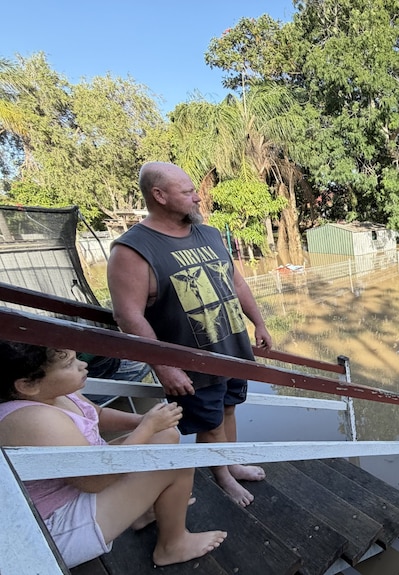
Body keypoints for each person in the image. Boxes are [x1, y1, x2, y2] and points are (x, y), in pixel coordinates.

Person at [107, 161, 272, 507]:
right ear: (160, 196)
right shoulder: (133, 249)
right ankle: (222, 477)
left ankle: (230, 463)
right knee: (208, 424)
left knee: (228, 410)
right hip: (189, 361)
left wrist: (259, 322)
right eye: (188, 192)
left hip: (232, 347)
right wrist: (165, 367)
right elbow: (128, 316)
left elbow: (236, 282)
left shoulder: (208, 234)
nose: (198, 198)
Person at [0, 341, 227, 568]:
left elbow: (97, 413)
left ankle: (141, 514)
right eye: (69, 363)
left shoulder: (52, 393)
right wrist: (146, 429)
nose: (82, 365)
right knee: (175, 462)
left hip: (82, 484)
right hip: (52, 531)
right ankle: (172, 545)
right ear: (28, 385)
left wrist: (145, 422)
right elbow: (95, 481)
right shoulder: (35, 420)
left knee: (165, 436)